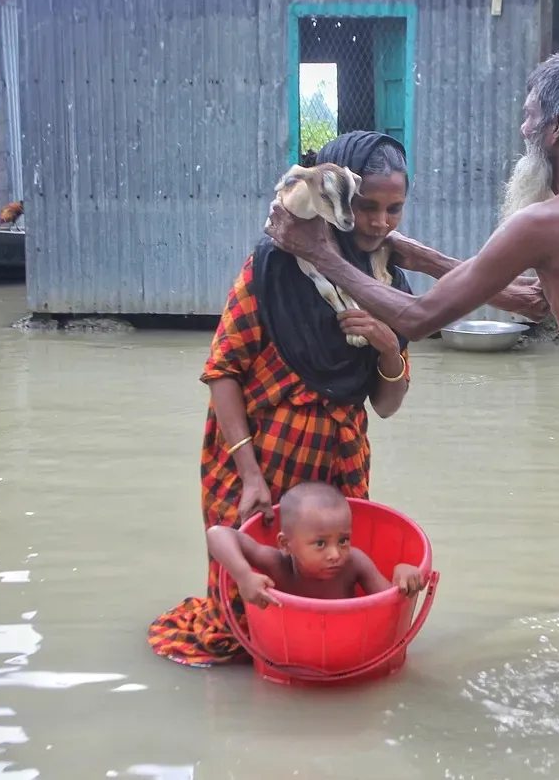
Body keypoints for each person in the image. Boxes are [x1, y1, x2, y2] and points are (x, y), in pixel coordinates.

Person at [266, 49, 559, 685]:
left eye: (529, 115)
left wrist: (321, 252)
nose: (522, 130)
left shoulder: (545, 222)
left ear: (557, 130)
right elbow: (538, 299)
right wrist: (402, 247)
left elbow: (418, 318)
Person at [146, 131, 415, 667]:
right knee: (244, 613)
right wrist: (248, 473)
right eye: (367, 207)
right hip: (257, 455)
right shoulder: (272, 267)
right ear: (337, 198)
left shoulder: (389, 284)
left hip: (338, 462)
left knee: (328, 587)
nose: (380, 223)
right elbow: (223, 370)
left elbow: (385, 404)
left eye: (394, 209)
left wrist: (389, 346)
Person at [206, 482, 425, 608]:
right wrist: (244, 575)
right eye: (320, 543)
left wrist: (403, 573)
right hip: (292, 650)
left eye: (343, 540)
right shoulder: (277, 564)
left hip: (348, 649)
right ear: (285, 544)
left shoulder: (354, 563)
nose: (335, 554)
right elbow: (216, 534)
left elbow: (389, 605)